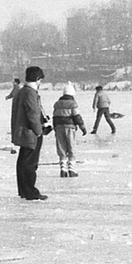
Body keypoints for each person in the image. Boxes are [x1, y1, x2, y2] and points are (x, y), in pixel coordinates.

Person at [11, 65, 49, 201]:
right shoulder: (29, 92)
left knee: (23, 162)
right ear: (37, 79)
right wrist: (39, 131)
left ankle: (24, 190)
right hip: (30, 133)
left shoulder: (23, 91)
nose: (40, 83)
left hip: (24, 132)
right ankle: (30, 191)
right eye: (40, 80)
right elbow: (32, 113)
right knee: (29, 163)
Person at [53, 83, 87, 178]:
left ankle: (63, 169)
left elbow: (54, 117)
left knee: (61, 147)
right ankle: (72, 169)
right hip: (70, 127)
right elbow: (76, 116)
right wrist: (82, 127)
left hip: (59, 127)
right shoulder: (73, 104)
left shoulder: (57, 104)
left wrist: (55, 127)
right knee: (71, 147)